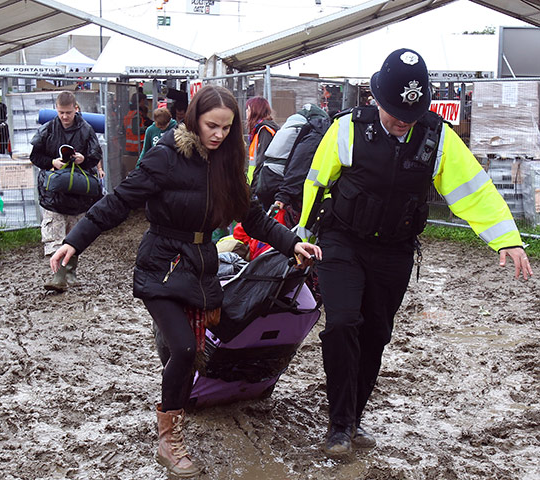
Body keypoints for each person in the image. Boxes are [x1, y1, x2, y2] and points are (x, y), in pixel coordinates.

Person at [49, 85, 321, 477]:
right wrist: (74, 242)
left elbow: (255, 218)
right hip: (160, 263)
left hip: (202, 267)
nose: (219, 135)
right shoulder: (165, 156)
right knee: (183, 347)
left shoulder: (228, 163)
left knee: (200, 344)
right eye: (212, 125)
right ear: (194, 119)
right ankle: (169, 440)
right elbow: (118, 202)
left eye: (227, 128)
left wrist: (292, 244)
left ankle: (198, 389)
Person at [297, 48, 533, 458]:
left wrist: (506, 237)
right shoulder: (348, 128)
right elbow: (316, 182)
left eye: (409, 114)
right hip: (342, 241)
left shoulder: (437, 136)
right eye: (393, 112)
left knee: (376, 333)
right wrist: (302, 237)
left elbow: (472, 190)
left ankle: (354, 417)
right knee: (341, 324)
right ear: (376, 100)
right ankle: (338, 427)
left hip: (395, 249)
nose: (401, 121)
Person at [30, 91, 104, 292]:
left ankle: (70, 272)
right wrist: (51, 162)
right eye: (61, 112)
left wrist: (83, 159)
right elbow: (35, 156)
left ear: (76, 109)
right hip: (53, 192)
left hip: (78, 192)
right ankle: (59, 276)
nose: (65, 116)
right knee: (54, 233)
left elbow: (96, 154)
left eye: (68, 112)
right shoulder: (47, 130)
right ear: (56, 109)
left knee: (74, 233)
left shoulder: (86, 130)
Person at [245, 96, 278, 206]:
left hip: (262, 187)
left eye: (248, 109)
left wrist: (254, 188)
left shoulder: (265, 131)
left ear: (255, 111)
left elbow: (262, 161)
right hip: (258, 186)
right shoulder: (260, 130)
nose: (246, 112)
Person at [122, 92, 149, 177]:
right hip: (136, 147)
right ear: (141, 101)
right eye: (144, 101)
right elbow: (135, 130)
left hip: (129, 145)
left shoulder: (129, 112)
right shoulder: (136, 114)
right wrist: (145, 128)